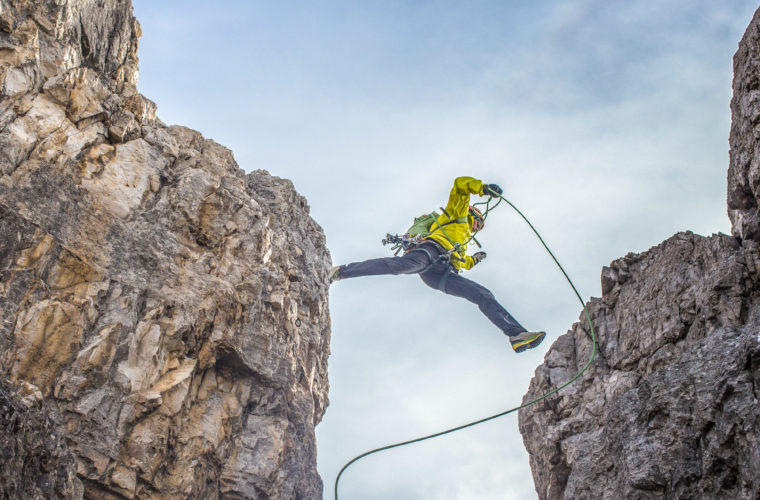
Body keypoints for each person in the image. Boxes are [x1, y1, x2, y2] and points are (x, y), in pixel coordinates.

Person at [330, 176, 546, 353]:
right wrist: (482, 189)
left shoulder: (462, 240)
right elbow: (460, 184)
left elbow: (463, 263)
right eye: (478, 222)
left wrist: (475, 259)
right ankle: (341, 272)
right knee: (399, 266)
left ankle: (516, 334)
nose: (477, 228)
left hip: (441, 270)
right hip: (430, 251)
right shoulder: (457, 215)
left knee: (482, 293)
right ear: (472, 213)